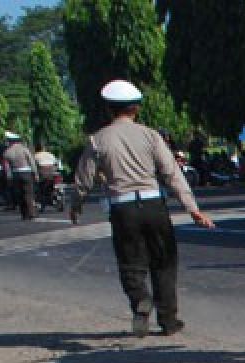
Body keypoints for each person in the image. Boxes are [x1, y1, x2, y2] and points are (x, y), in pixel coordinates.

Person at [71, 81, 214, 336]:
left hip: (123, 209)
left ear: (108, 109)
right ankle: (169, 321)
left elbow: (84, 179)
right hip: (153, 205)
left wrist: (76, 205)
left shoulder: (98, 139)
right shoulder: (151, 136)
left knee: (130, 262)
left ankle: (140, 300)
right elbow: (172, 174)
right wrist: (193, 209)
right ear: (135, 109)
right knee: (164, 262)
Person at [3, 131, 36, 220]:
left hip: (16, 174)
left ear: (10, 141)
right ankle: (31, 213)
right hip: (26, 173)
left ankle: (24, 214)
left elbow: (7, 169)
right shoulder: (24, 149)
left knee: (19, 194)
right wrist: (35, 173)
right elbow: (32, 162)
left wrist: (9, 179)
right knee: (29, 193)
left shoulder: (7, 152)